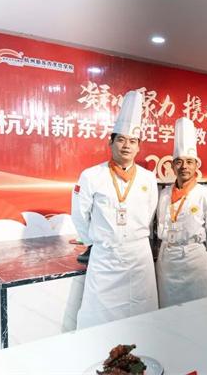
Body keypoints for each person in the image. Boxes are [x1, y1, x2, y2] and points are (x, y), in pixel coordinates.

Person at [72, 90, 159, 329]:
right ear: (111, 142)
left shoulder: (148, 178)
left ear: (138, 147)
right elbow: (80, 215)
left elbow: (150, 212)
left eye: (132, 141)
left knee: (142, 318)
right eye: (121, 140)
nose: (126, 146)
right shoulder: (91, 175)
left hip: (139, 257)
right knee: (98, 317)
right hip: (105, 258)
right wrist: (96, 241)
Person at [156, 117, 207, 308]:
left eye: (189, 162)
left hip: (195, 259)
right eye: (179, 162)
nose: (184, 166)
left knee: (199, 309)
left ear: (196, 165)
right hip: (168, 260)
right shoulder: (164, 194)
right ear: (172, 166)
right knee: (168, 309)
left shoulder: (206, 194)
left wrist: (199, 248)